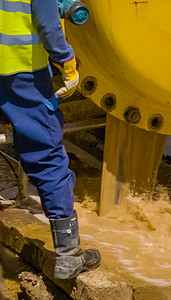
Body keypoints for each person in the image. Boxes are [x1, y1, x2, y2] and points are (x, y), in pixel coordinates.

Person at [0, 0, 100, 279]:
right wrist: (67, 61)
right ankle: (68, 255)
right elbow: (46, 25)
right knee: (46, 154)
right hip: (20, 75)